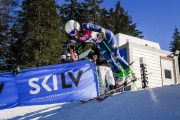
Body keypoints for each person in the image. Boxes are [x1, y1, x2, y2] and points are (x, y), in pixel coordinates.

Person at [65, 20, 136, 85]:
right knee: (109, 60)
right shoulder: (78, 37)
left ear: (76, 27)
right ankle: (121, 75)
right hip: (100, 43)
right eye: (70, 34)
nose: (73, 35)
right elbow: (82, 44)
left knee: (116, 56)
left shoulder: (84, 26)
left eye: (73, 32)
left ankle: (130, 73)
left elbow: (99, 28)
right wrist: (74, 48)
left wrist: (101, 33)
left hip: (107, 37)